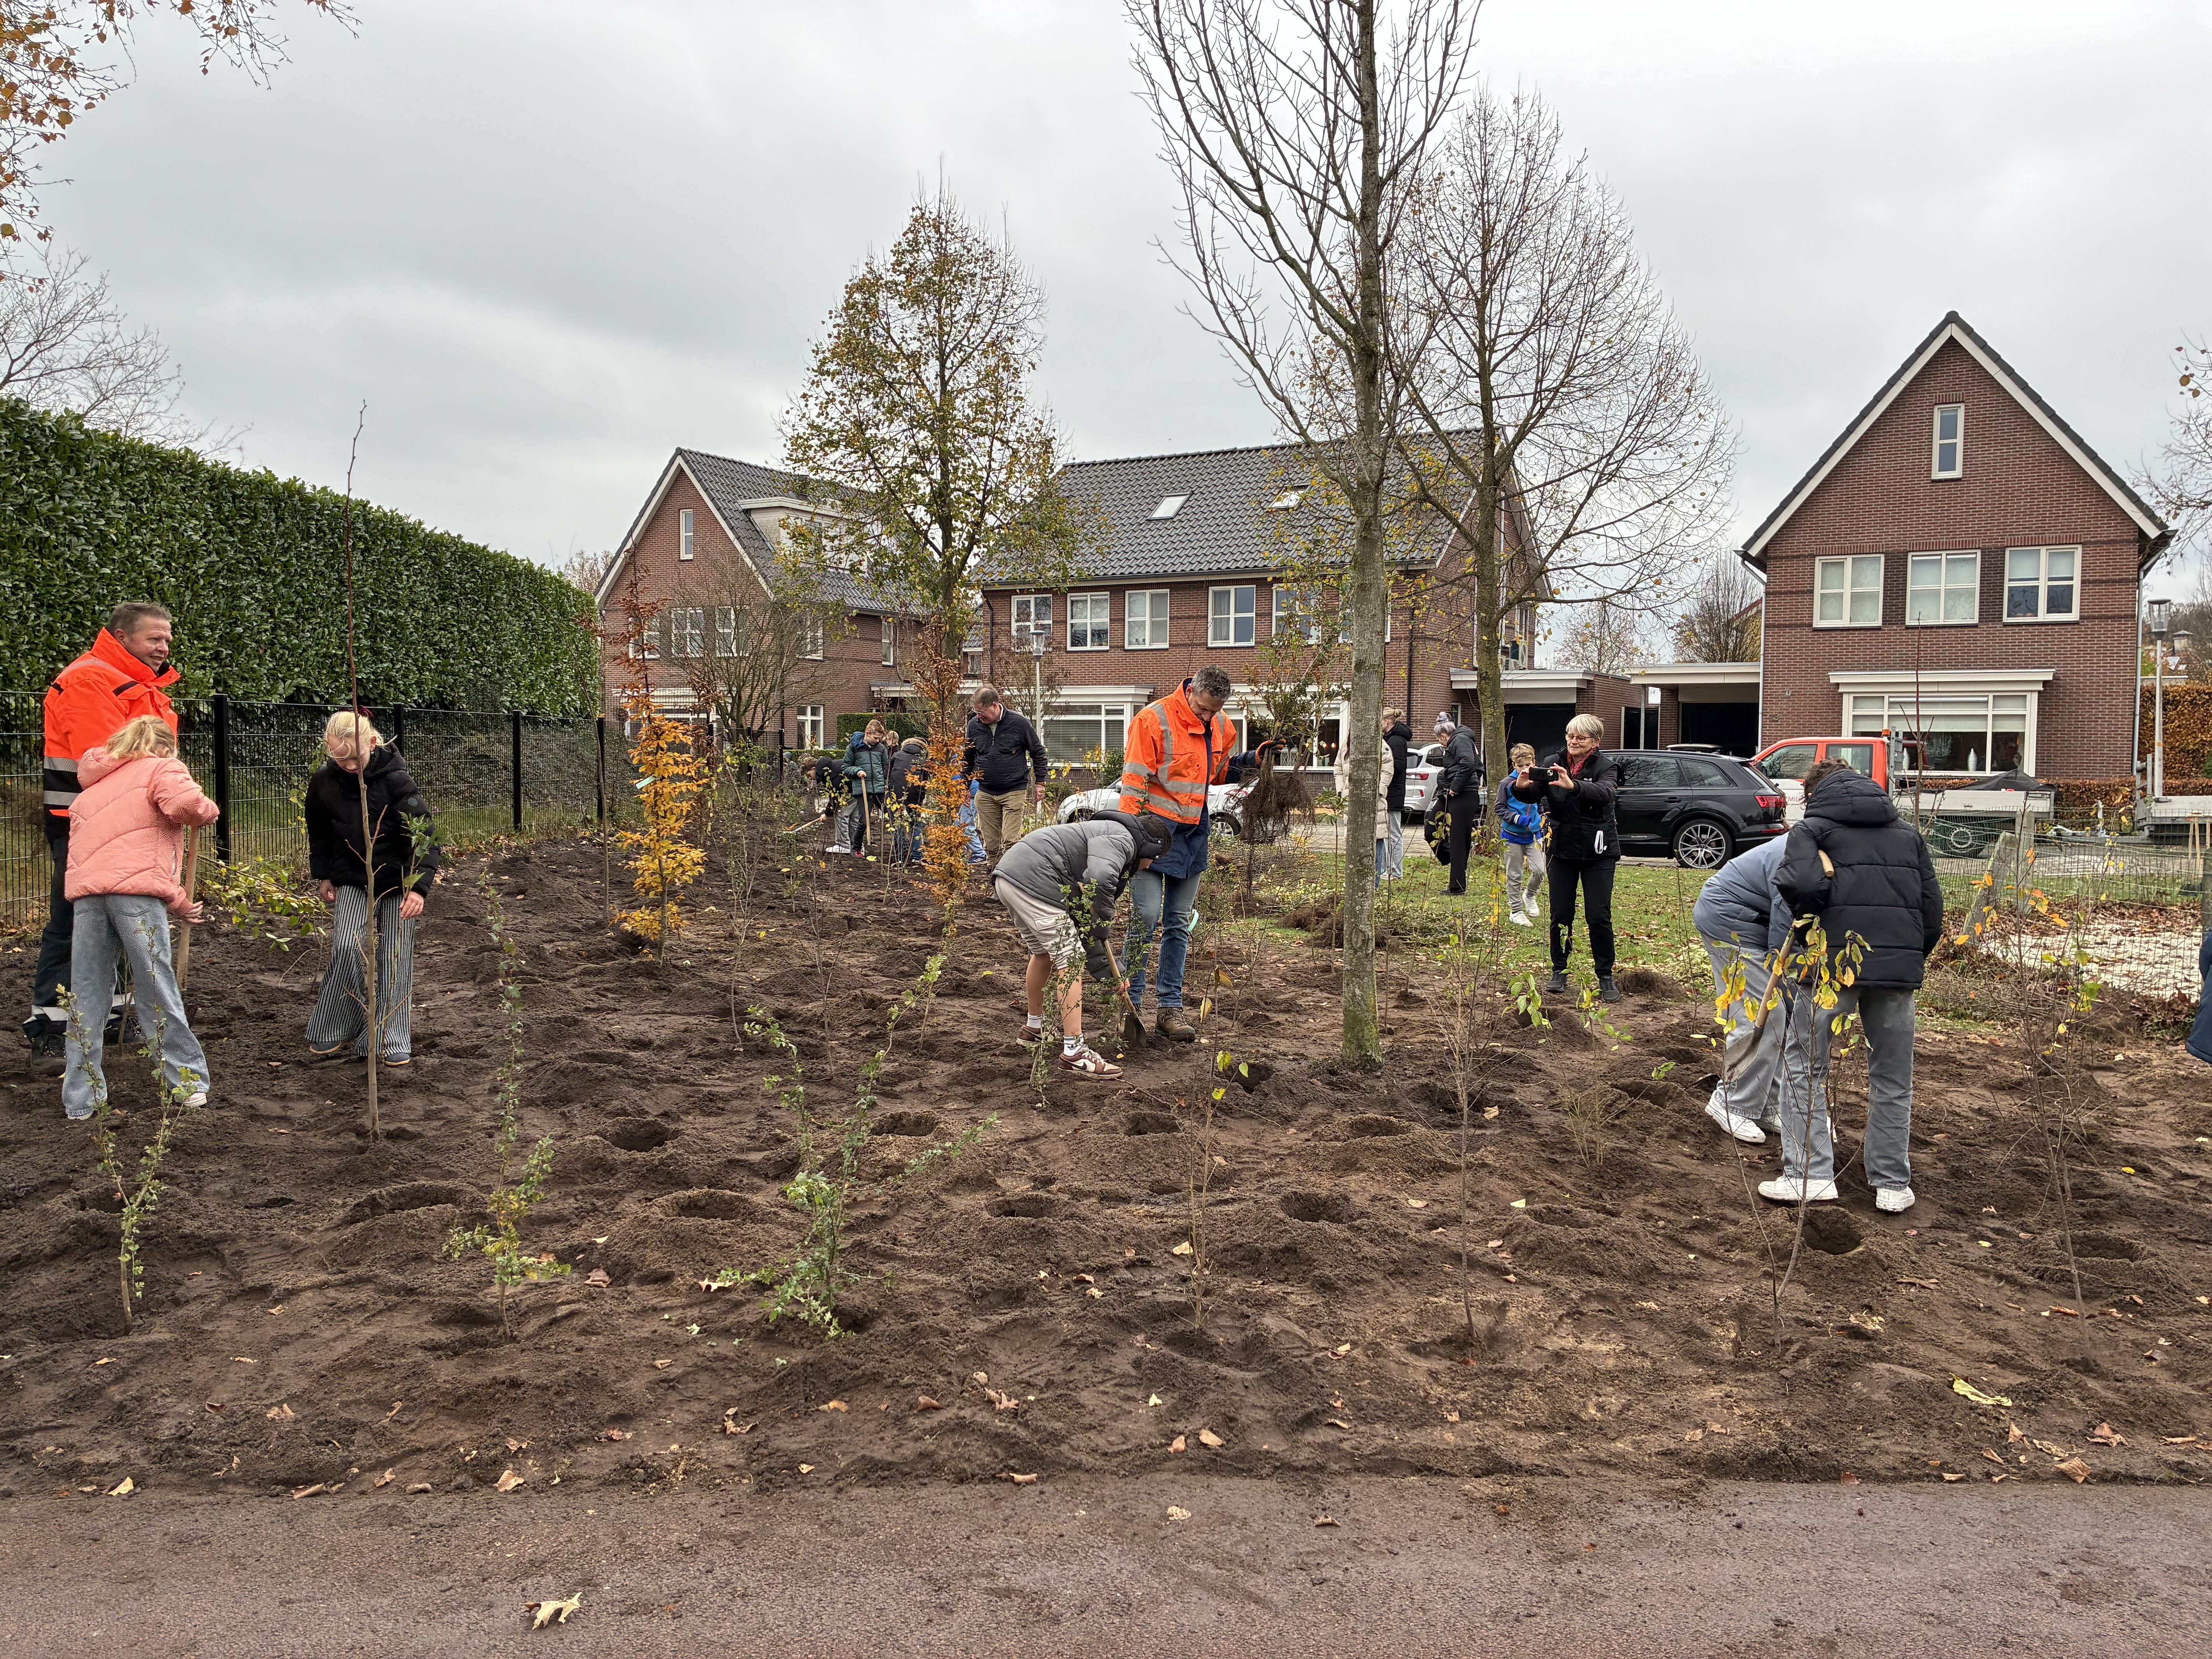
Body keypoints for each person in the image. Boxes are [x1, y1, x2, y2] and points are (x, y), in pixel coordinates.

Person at [1765, 758, 1944, 1211]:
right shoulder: (1907, 834)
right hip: (1897, 975)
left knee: (1805, 1067)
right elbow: (1932, 910)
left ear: (1812, 792)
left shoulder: (1812, 831)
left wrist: (1810, 935)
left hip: (1832, 967)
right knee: (1892, 1076)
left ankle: (1810, 1175)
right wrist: (1907, 959)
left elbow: (1801, 884)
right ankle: (1891, 1185)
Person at [29, 602, 181, 1066]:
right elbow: (112, 759)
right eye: (154, 639)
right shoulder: (91, 681)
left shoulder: (143, 687)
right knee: (76, 922)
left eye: (168, 640)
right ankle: (54, 1030)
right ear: (121, 636)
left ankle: (109, 1018)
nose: (163, 648)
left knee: (112, 921)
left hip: (124, 823)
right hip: (87, 823)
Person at [59, 715, 219, 1120]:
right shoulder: (163, 767)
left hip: (89, 898)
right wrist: (206, 810)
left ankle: (81, 1099)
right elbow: (184, 806)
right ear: (164, 747)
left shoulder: (96, 785)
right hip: (135, 898)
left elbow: (124, 853)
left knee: (87, 992)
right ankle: (187, 1084)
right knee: (154, 984)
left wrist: (179, 902)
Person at [1117, 665, 1262, 1041]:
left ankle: (1169, 1010)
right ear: (1190, 691)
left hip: (1194, 834)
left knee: (1178, 924)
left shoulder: (1222, 725)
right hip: (1151, 832)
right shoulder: (1152, 720)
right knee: (1145, 917)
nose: (1209, 718)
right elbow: (1134, 782)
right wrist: (1130, 841)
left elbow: (1214, 772)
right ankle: (1127, 1010)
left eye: (1215, 712)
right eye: (1203, 710)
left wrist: (1250, 762)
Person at [993, 809, 1175, 1078]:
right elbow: (1099, 882)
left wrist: (1111, 973)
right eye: (1154, 862)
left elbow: (1085, 916)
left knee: (1043, 953)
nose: (1149, 868)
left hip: (1010, 876)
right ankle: (1075, 1052)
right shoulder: (1123, 840)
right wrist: (1101, 927)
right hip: (1035, 879)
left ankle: (1035, 1028)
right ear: (1151, 851)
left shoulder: (1106, 831)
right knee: (1072, 960)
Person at [304, 711, 439, 1067]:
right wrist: (324, 874)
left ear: (373, 743)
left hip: (397, 883)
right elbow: (318, 833)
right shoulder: (323, 783)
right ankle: (338, 1024)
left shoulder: (397, 781)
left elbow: (423, 836)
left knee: (395, 957)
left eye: (356, 757)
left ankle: (389, 1035)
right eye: (340, 758)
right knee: (346, 946)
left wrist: (419, 887)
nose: (349, 765)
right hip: (351, 878)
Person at [1512, 713, 1626, 1002]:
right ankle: (1559, 971)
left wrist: (1573, 785)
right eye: (1570, 736)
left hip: (1598, 851)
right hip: (1561, 848)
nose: (1573, 742)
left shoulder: (1606, 766)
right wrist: (1521, 786)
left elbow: (1605, 794)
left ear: (1594, 743)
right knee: (1561, 914)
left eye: (1581, 738)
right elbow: (1533, 793)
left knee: (1598, 915)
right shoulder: (1553, 762)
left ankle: (1606, 976)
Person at [1690, 832, 1793, 1145]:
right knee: (1762, 1013)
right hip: (1731, 917)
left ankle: (1765, 1104)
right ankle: (1731, 1101)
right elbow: (1787, 913)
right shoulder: (1810, 850)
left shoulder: (1838, 841)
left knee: (1782, 1015)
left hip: (1758, 918)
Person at [963, 685, 1049, 864]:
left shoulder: (1019, 723)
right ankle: (994, 874)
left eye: (982, 712)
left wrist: (1040, 783)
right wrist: (963, 787)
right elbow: (968, 758)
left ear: (994, 706)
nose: (979, 717)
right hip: (985, 791)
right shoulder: (974, 726)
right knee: (991, 844)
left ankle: (1012, 875)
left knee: (1010, 842)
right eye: (976, 713)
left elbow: (1038, 752)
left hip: (1013, 790)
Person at [1431, 713, 1484, 895]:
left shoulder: (1460, 740)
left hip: (1463, 795)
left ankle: (1457, 885)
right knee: (1431, 824)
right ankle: (1450, 859)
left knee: (1459, 840)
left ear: (1444, 736)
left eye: (1440, 740)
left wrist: (1455, 787)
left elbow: (1468, 764)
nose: (1440, 743)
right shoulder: (1459, 740)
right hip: (1452, 794)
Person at [1494, 743, 1546, 926]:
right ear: (1514, 765)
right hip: (1511, 837)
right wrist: (1516, 819)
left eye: (1528, 764)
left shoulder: (1538, 781)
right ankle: (1516, 911)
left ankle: (1530, 896)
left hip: (1533, 836)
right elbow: (1499, 807)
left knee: (1540, 871)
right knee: (1514, 876)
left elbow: (1539, 803)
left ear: (1534, 762)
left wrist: (1540, 819)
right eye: (1520, 766)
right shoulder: (1507, 783)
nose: (1525, 769)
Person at [842, 720, 893, 857]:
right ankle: (857, 849)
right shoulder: (853, 748)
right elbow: (845, 767)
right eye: (876, 738)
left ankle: (902, 847)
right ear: (867, 733)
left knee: (893, 816)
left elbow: (886, 767)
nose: (878, 741)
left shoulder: (881, 749)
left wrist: (885, 781)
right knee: (864, 822)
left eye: (880, 739)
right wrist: (857, 771)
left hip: (880, 789)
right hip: (863, 789)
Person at [1381, 708, 1413, 880]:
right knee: (1388, 832)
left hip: (1392, 793)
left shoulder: (1396, 741)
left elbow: (1397, 767)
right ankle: (1389, 869)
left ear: (1387, 722)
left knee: (1393, 833)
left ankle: (1395, 871)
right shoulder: (1391, 739)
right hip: (1390, 792)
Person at [889, 735, 929, 864]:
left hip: (895, 794)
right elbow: (925, 783)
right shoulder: (923, 761)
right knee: (916, 824)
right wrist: (921, 800)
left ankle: (900, 856)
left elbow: (887, 774)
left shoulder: (896, 756)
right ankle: (916, 856)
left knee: (897, 824)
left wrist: (889, 793)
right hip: (914, 794)